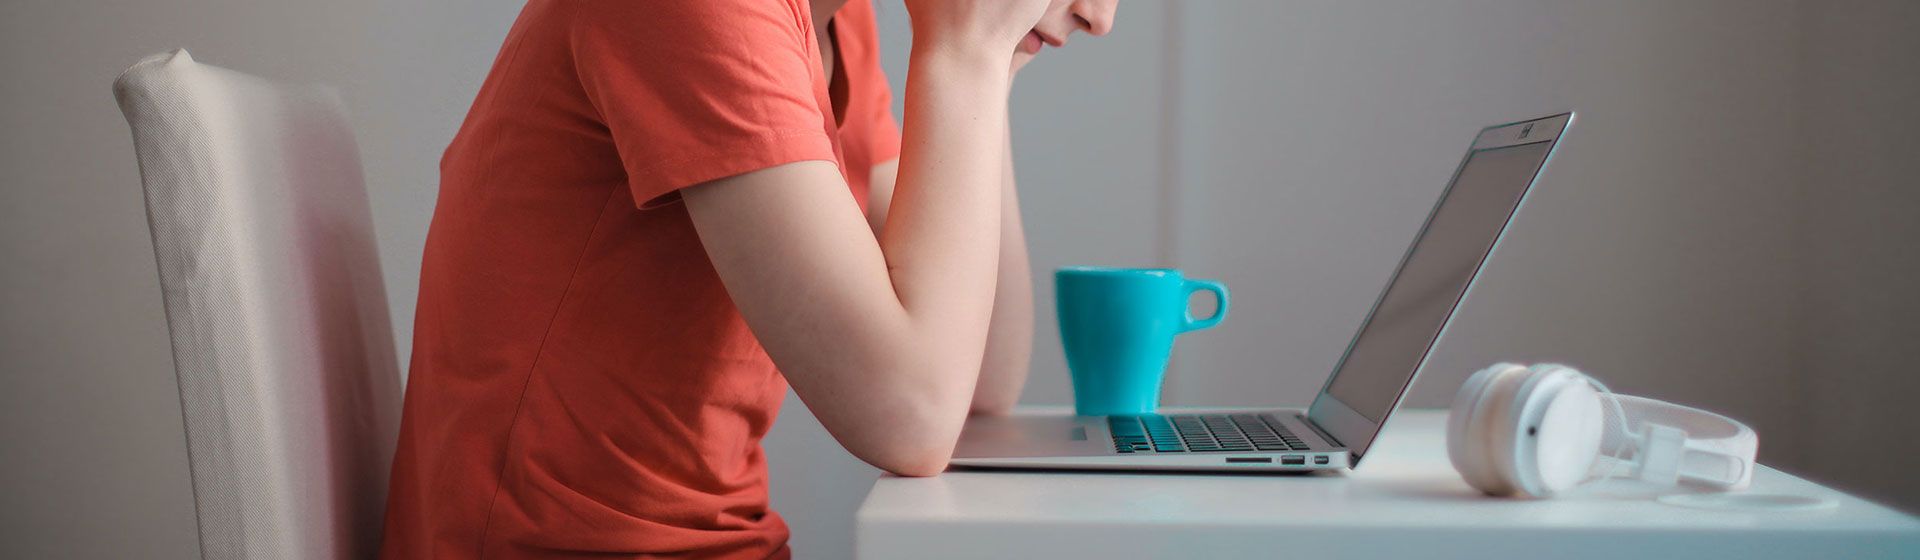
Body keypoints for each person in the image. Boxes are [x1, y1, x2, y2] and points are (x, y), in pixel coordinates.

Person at [380, 0, 1118, 557]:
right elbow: (912, 418)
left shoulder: (836, 24)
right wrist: (963, 58)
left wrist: (988, 63)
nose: (1101, 16)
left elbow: (981, 380)